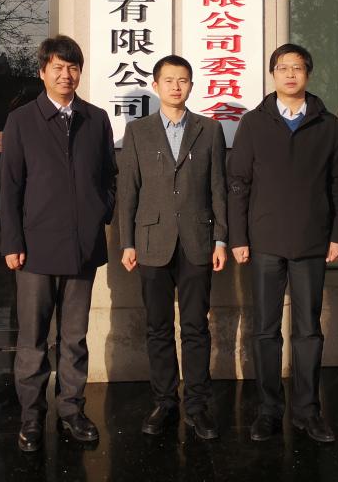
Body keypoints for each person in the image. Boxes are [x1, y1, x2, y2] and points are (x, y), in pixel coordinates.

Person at [228, 44, 338, 444]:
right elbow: (238, 183)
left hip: (312, 242)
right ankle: (268, 409)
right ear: (273, 74)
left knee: (308, 331)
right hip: (264, 241)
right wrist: (238, 237)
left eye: (297, 68)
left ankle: (307, 410)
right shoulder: (254, 123)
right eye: (282, 68)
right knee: (265, 330)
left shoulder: (328, 125)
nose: (289, 74)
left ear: (307, 74)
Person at [0, 35, 117, 453]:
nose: (66, 75)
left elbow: (108, 175)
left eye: (72, 67)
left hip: (82, 246)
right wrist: (12, 241)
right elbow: (10, 186)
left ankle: (71, 410)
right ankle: (32, 416)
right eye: (58, 67)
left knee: (74, 337)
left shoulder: (95, 118)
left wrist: (100, 211)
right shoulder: (22, 120)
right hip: (35, 247)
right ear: (42, 72)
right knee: (33, 339)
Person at [117, 55, 229, 440]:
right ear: (156, 85)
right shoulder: (138, 131)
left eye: (183, 80)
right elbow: (128, 191)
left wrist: (221, 239)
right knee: (158, 327)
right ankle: (164, 402)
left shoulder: (209, 130)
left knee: (196, 327)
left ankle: (197, 406)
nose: (176, 86)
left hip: (198, 241)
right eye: (169, 80)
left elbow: (218, 188)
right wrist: (127, 242)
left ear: (191, 85)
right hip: (151, 242)